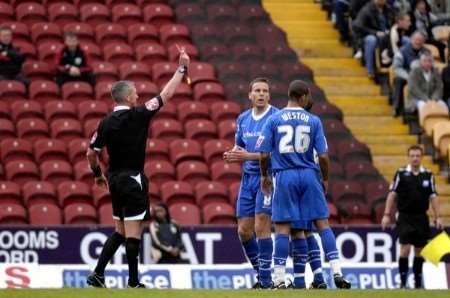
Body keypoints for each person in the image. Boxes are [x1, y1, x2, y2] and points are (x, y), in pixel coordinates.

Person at [85, 48, 190, 288]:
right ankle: (133, 282)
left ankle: (99, 274)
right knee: (133, 233)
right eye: (135, 92)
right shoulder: (139, 115)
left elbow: (91, 153)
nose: (137, 95)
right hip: (133, 179)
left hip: (113, 180)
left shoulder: (105, 123)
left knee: (120, 231)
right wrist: (182, 69)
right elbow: (167, 94)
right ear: (128, 97)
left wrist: (98, 176)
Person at [256, 80, 351, 289]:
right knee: (322, 224)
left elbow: (263, 154)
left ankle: (279, 278)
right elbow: (324, 157)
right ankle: (337, 272)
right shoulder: (314, 120)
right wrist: (325, 178)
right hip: (309, 174)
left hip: (285, 175)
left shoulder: (274, 119)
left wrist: (265, 176)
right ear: (304, 96)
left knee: (282, 228)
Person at [223, 77, 278, 289]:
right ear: (250, 95)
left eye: (265, 90)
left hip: (267, 178)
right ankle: (263, 274)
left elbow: (277, 154)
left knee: (261, 227)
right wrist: (232, 154)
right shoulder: (243, 119)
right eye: (257, 90)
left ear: (269, 95)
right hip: (247, 180)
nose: (261, 94)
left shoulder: (276, 118)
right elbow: (240, 148)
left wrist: (247, 157)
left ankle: (265, 282)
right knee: (244, 231)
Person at [381, 145, 442, 288]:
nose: (415, 158)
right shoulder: (401, 174)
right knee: (405, 249)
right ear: (408, 157)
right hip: (404, 217)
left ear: (421, 157)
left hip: (421, 217)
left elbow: (434, 197)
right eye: (412, 156)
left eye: (417, 156)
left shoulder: (428, 175)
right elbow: (392, 195)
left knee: (420, 251)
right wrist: (386, 214)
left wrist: (438, 216)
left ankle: (417, 284)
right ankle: (402, 283)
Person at [353, 0, 394, 78]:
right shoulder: (366, 10)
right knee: (371, 40)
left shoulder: (388, 9)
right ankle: (370, 70)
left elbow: (393, 23)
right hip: (369, 36)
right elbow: (357, 26)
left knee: (405, 40)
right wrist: (375, 33)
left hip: (386, 35)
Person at [391, 30, 426, 116]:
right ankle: (397, 108)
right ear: (411, 39)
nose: (418, 42)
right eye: (416, 39)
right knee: (399, 80)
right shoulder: (402, 51)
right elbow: (396, 68)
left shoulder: (426, 52)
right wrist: (409, 77)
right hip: (406, 75)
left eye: (420, 40)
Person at [406, 50, 444, 114]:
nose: (427, 63)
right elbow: (414, 89)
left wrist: (434, 99)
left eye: (429, 61)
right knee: (424, 107)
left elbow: (439, 87)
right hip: (417, 99)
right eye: (425, 61)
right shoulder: (414, 72)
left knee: (443, 106)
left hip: (434, 99)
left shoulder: (436, 72)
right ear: (420, 62)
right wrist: (426, 99)